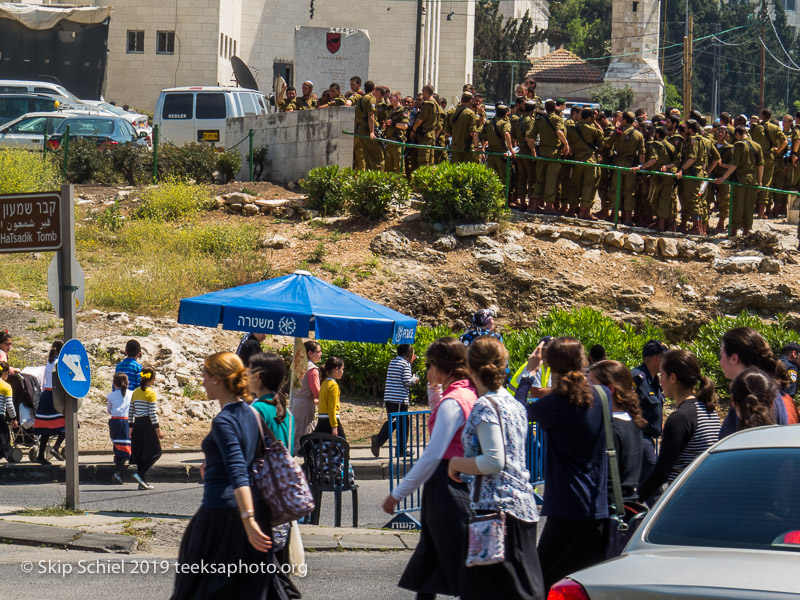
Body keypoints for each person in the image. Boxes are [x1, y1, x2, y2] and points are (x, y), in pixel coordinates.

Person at [171, 352, 275, 600]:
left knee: (199, 589)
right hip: (253, 509)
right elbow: (251, 458)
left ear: (217, 379)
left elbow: (238, 470)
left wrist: (247, 520)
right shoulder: (253, 413)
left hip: (222, 514)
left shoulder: (224, 420)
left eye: (205, 376)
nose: (203, 382)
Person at [448, 336, 544, 600]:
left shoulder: (484, 406)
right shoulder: (514, 405)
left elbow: (493, 460)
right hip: (522, 508)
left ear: (470, 368)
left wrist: (456, 464)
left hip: (494, 513)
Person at [382, 337, 477, 599]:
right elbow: (443, 419)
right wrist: (434, 389)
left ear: (439, 366)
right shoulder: (467, 393)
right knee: (431, 562)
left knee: (455, 565)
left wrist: (399, 493)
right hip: (460, 483)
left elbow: (432, 455)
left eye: (428, 365)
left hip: (445, 486)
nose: (425, 370)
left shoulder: (453, 401)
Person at [516, 337, 610, 593]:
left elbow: (515, 413)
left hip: (566, 508)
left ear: (551, 365)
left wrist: (529, 373)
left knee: (537, 582)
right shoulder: (603, 396)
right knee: (585, 587)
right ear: (582, 361)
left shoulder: (555, 405)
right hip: (597, 507)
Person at [638, 350, 720, 504]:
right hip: (708, 495)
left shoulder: (680, 419)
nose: (660, 382)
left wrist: (635, 501)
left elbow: (662, 471)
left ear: (673, 378)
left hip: (687, 500)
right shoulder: (709, 409)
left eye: (662, 376)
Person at [588, 360, 645, 502]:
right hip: (628, 505)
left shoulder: (609, 429)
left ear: (610, 389)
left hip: (609, 509)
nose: (587, 389)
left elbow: (605, 481)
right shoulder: (633, 423)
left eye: (591, 383)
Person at [718, 327, 790, 438]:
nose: (720, 363)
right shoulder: (770, 387)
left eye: (721, 356)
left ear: (734, 358)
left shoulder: (750, 392)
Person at [714, 126, 764, 236]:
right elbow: (761, 165)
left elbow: (734, 164)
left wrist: (723, 177)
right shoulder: (757, 146)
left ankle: (733, 231)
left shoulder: (739, 145)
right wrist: (760, 181)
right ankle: (746, 231)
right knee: (749, 206)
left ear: (737, 134)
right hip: (753, 181)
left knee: (737, 205)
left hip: (740, 180)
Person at [631, 339, 668, 486]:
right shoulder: (637, 378)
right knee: (654, 486)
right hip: (640, 439)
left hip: (651, 441)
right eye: (665, 358)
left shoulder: (654, 381)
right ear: (657, 358)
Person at [372, 344, 419, 457]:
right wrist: (415, 379)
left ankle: (383, 442)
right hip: (399, 400)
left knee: (394, 422)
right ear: (408, 354)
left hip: (390, 398)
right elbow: (407, 381)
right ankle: (390, 445)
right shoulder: (405, 364)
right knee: (402, 424)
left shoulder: (393, 362)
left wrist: (409, 363)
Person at [248, 352, 295, 454]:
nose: (246, 375)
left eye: (249, 371)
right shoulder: (288, 413)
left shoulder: (256, 410)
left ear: (257, 376)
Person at [129, 367, 163, 490]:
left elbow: (131, 410)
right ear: (153, 379)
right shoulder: (151, 393)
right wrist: (158, 430)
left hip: (137, 424)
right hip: (147, 424)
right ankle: (140, 474)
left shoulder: (135, 392)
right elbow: (152, 413)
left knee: (141, 452)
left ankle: (141, 482)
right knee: (157, 452)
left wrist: (131, 426)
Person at [34, 340, 65, 464]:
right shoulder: (60, 363)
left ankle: (41, 455)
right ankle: (56, 447)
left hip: (46, 395)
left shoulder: (50, 362)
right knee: (68, 425)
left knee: (46, 428)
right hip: (55, 395)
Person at [291, 340, 322, 453]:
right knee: (304, 432)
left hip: (295, 401)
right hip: (306, 403)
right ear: (309, 353)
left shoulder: (297, 364)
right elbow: (316, 391)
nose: (320, 354)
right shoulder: (312, 369)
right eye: (318, 351)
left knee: (295, 431)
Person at [107, 372, 133, 484]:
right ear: (128, 383)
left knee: (118, 446)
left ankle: (118, 469)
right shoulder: (132, 394)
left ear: (114, 384)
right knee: (126, 448)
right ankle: (117, 472)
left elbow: (109, 410)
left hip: (114, 421)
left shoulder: (111, 395)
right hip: (126, 421)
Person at [315, 357, 345, 438]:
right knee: (342, 445)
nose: (342, 372)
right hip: (330, 420)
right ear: (336, 369)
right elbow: (332, 408)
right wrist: (334, 426)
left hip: (321, 418)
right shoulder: (333, 385)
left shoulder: (324, 383)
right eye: (342, 369)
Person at [0, 361, 17, 463]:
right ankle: (9, 456)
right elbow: (9, 405)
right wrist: (13, 418)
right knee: (5, 437)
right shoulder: (6, 386)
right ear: (5, 372)